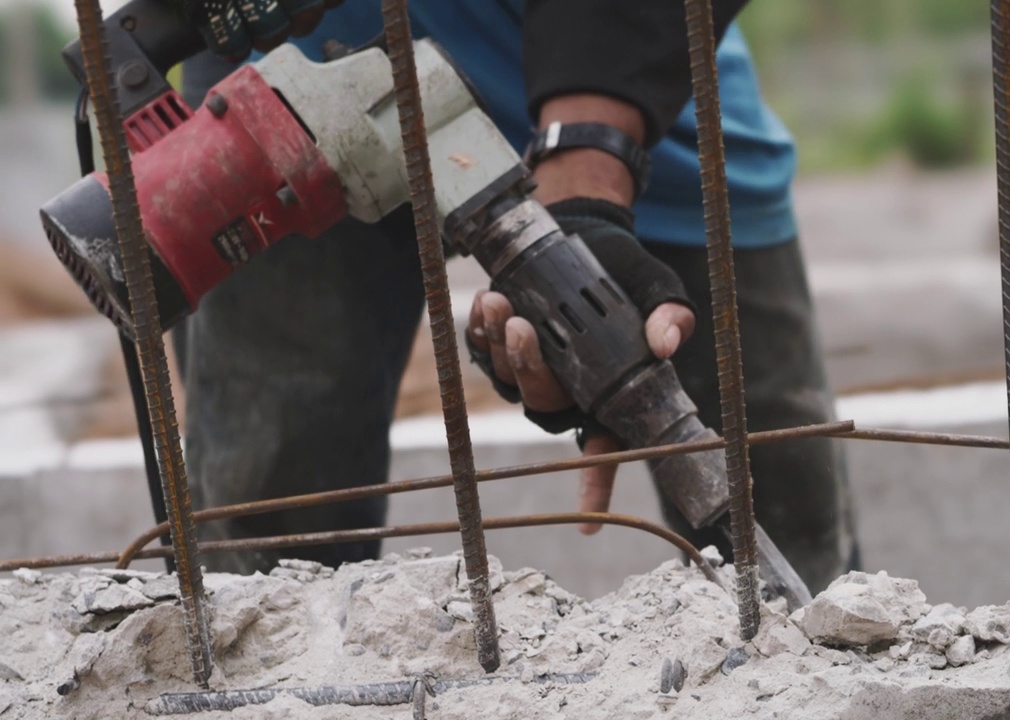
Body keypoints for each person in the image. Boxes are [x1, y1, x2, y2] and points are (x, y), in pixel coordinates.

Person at [175, 0, 858, 592]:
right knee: (266, 575)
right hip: (287, 90)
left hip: (633, 54)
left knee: (790, 555)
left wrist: (590, 157)